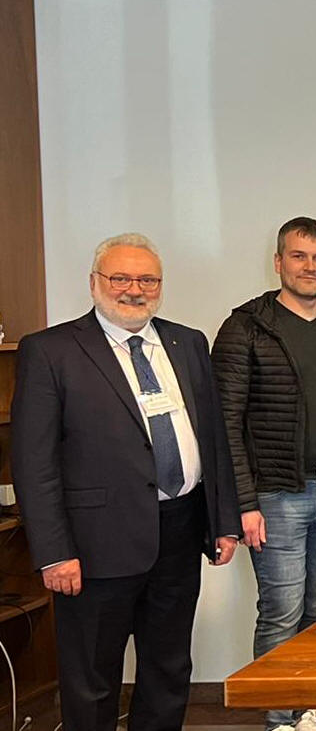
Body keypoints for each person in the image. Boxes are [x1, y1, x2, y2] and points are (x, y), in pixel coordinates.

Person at [11, 234, 242, 731]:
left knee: (169, 669)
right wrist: (53, 552)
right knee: (92, 679)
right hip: (94, 545)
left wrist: (223, 521)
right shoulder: (50, 350)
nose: (134, 290)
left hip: (179, 532)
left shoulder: (187, 342)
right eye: (120, 278)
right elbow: (33, 462)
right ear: (94, 282)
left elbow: (213, 438)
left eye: (147, 280)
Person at [212, 217, 316, 731]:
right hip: (275, 495)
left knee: (315, 608)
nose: (309, 267)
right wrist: (244, 503)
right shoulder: (245, 329)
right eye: (298, 256)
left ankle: (306, 713)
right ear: (278, 261)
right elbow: (225, 423)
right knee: (280, 611)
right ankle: (279, 721)